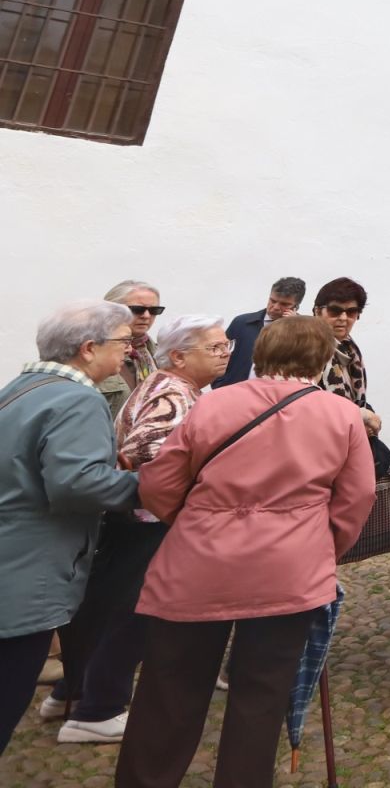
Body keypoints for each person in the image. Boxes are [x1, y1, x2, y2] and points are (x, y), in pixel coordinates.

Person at [113, 314, 374, 788]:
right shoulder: (341, 415)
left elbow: (159, 484)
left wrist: (194, 523)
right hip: (289, 569)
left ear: (260, 353)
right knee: (262, 694)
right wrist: (320, 549)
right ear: (321, 360)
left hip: (199, 563)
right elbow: (356, 499)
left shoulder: (213, 404)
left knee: (170, 688)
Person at [50, 316, 230, 745]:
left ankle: (70, 694)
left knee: (110, 609)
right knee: (137, 616)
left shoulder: (172, 386)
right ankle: (97, 711)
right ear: (179, 356)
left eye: (227, 347)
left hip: (140, 518)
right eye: (215, 348)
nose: (225, 354)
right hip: (151, 520)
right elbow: (147, 453)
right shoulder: (172, 394)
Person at [0, 302, 140, 758]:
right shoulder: (77, 398)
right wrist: (147, 485)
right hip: (29, 575)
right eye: (124, 341)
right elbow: (77, 485)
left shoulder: (23, 387)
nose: (130, 350)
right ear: (88, 348)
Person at [313, 277, 379, 440]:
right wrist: (359, 416)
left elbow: (355, 398)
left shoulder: (350, 350)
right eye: (335, 311)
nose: (343, 318)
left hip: (348, 437)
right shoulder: (305, 348)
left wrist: (366, 416)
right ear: (317, 311)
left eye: (351, 312)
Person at [214, 277, 304, 389]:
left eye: (284, 304)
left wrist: (294, 328)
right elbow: (219, 354)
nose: (275, 307)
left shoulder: (304, 331)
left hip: (276, 396)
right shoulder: (242, 323)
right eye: (273, 301)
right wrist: (219, 383)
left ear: (296, 307)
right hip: (232, 392)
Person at [98, 281, 162, 425]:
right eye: (137, 309)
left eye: (154, 310)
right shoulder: (92, 355)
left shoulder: (162, 355)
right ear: (110, 310)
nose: (146, 316)